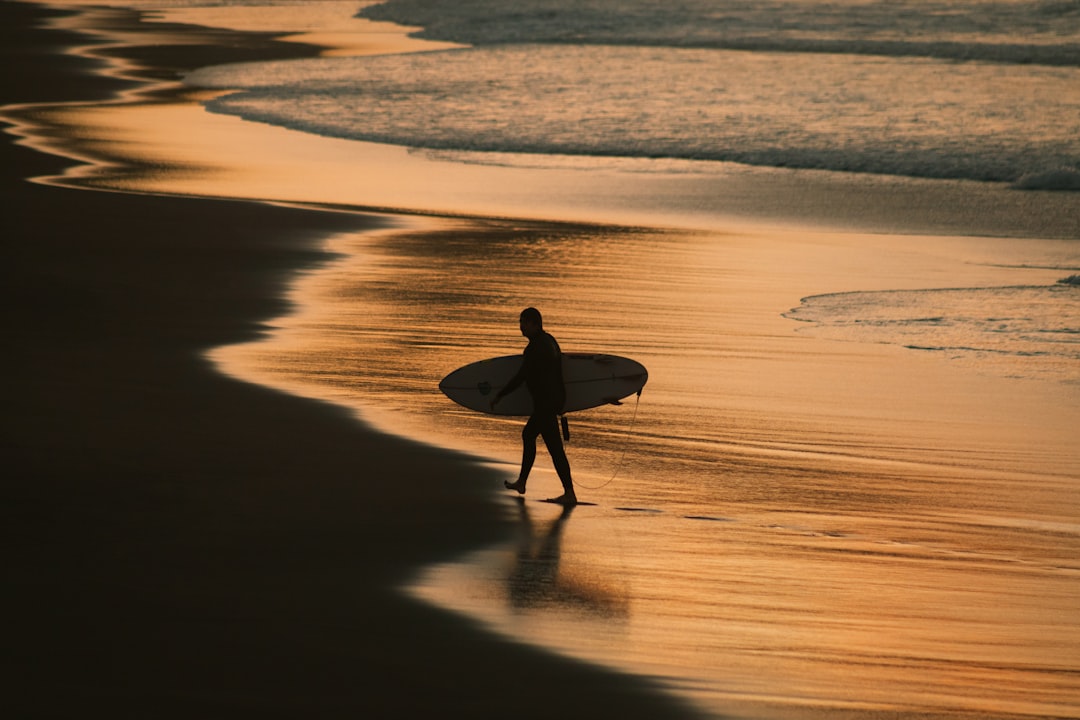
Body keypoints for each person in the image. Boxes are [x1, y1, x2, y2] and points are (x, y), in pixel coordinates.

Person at [492, 308, 577, 505]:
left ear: (534, 324)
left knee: (546, 444)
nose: (520, 327)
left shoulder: (535, 348)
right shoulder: (550, 341)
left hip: (545, 404)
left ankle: (566, 493)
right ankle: (527, 483)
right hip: (552, 402)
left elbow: (521, 377)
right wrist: (563, 402)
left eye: (524, 322)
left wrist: (500, 395)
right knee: (540, 441)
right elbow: (560, 373)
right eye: (520, 322)